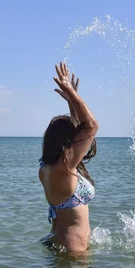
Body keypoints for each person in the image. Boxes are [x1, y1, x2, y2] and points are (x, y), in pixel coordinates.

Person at [39, 62, 99, 253]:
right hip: (71, 253)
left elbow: (80, 127)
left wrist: (71, 102)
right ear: (68, 142)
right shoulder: (63, 168)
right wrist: (73, 94)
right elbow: (90, 126)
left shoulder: (48, 167)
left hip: (62, 245)